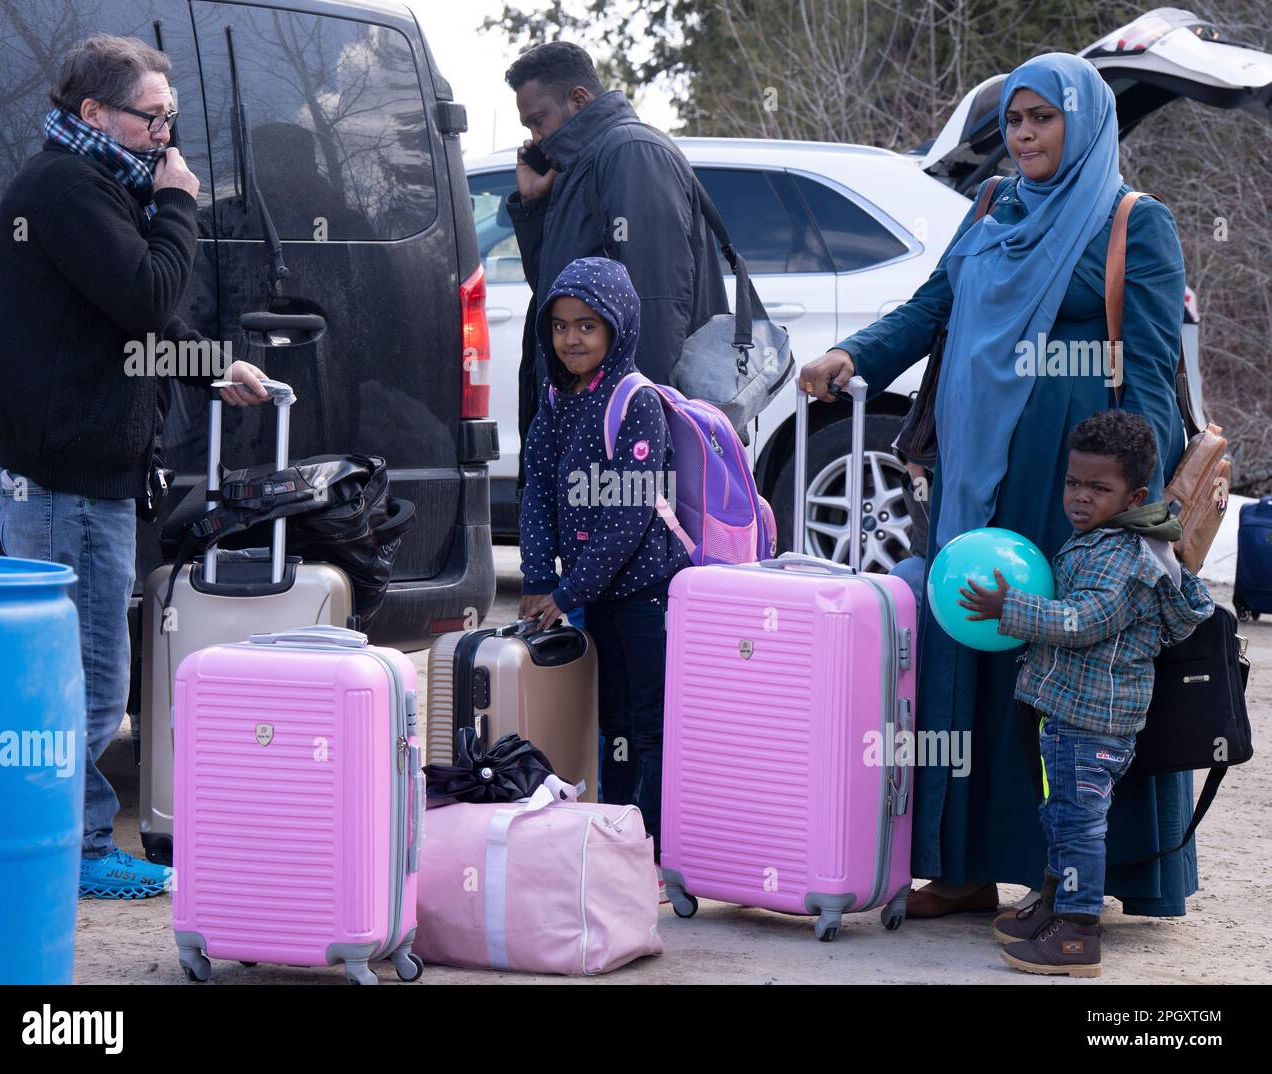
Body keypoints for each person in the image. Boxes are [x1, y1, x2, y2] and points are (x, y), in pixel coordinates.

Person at [799, 53, 1202, 920]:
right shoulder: (992, 208)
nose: (1022, 135)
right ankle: (966, 863)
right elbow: (930, 307)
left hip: (1078, 485)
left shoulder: (1136, 223)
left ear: (1082, 124)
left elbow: (1152, 376)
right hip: (975, 479)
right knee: (970, 650)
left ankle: (1070, 873)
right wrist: (854, 356)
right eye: (1014, 121)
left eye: (1040, 119)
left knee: (1068, 662)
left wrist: (1132, 510)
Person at [0, 34, 268, 899]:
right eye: (154, 119)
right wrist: (180, 203)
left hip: (80, 480)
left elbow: (132, 328)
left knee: (79, 677)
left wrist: (213, 368)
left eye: (170, 120)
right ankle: (70, 852)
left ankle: (64, 841)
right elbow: (150, 293)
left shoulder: (85, 185)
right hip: (68, 485)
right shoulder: (69, 189)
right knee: (92, 684)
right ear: (94, 115)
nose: (166, 139)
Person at [960, 410, 1213, 975]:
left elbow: (1085, 621)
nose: (1079, 497)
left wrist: (1011, 610)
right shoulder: (1099, 539)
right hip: (1070, 713)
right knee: (1062, 817)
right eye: (1074, 482)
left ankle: (1076, 934)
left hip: (1094, 722)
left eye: (1099, 488)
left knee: (1078, 823)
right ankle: (1054, 906)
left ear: (1134, 494)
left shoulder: (1125, 555)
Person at [518, 257, 689, 894]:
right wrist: (538, 577)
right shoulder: (556, 403)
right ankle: (618, 840)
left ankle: (652, 843)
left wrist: (567, 591)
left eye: (588, 326)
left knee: (648, 725)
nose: (572, 340)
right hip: (596, 598)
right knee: (611, 723)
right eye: (560, 327)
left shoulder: (635, 401)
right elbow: (535, 493)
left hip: (645, 596)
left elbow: (629, 516)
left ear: (618, 329)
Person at [503, 41, 727, 492]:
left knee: (629, 559)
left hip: (624, 430)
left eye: (538, 120)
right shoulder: (582, 167)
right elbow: (555, 292)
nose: (534, 138)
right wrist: (531, 207)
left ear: (579, 99)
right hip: (595, 417)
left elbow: (656, 302)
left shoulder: (630, 153)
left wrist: (639, 435)